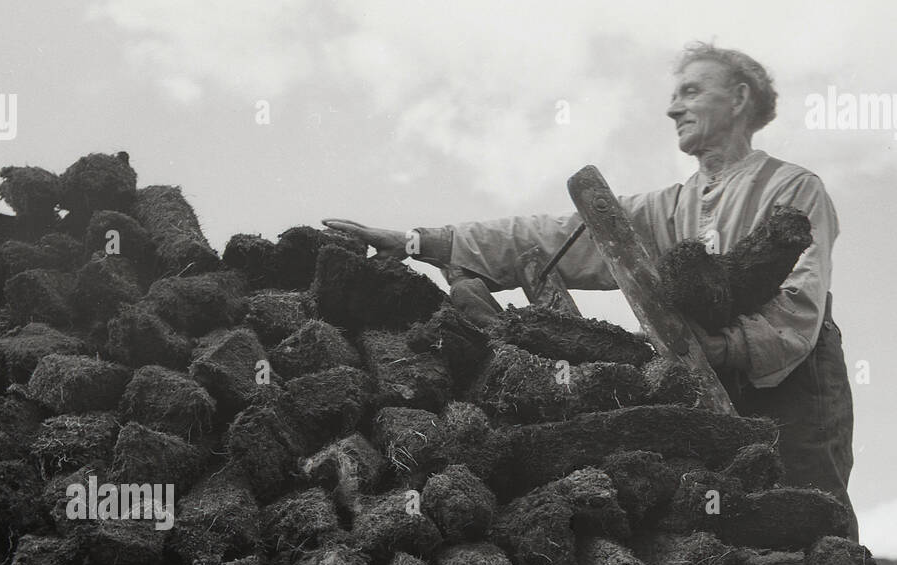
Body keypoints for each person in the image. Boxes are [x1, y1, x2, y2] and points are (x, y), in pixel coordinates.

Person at [327, 41, 858, 538]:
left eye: (692, 91)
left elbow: (799, 304)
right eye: (675, 96)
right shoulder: (667, 208)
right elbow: (556, 234)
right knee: (736, 524)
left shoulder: (793, 187)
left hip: (793, 379)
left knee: (813, 516)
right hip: (705, 372)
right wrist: (424, 241)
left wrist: (717, 348)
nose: (674, 108)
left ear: (740, 98)